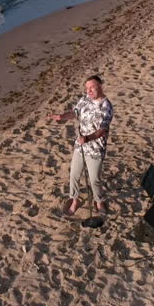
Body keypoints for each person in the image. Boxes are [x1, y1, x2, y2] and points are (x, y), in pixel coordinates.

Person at [46, 75, 113, 216]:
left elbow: (102, 131)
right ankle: (75, 200)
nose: (89, 90)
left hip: (95, 149)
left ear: (100, 86)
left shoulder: (106, 106)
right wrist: (61, 116)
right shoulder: (84, 100)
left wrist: (87, 138)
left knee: (95, 179)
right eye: (87, 88)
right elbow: (74, 113)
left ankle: (99, 201)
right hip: (80, 146)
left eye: (92, 87)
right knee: (74, 175)